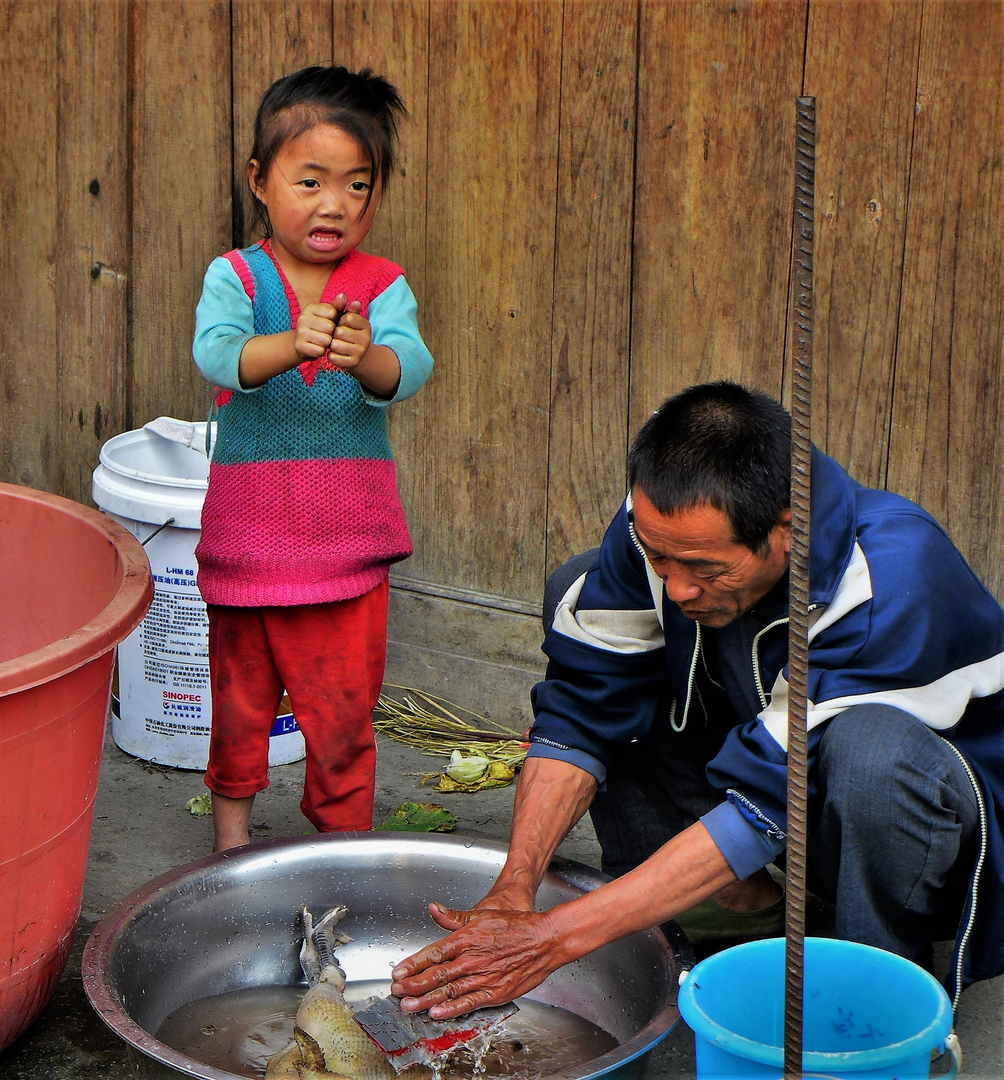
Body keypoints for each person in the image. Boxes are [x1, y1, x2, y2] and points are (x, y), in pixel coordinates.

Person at [390, 382, 1001, 1016]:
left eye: (706, 569)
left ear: (786, 531)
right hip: (778, 784)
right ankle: (729, 915)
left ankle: (874, 998)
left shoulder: (887, 581)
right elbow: (582, 711)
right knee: (582, 584)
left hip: (928, 832)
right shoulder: (654, 526)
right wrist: (514, 891)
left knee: (872, 755)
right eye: (660, 559)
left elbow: (771, 797)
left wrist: (552, 938)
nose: (680, 587)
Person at [191, 65, 434, 852]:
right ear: (261, 182)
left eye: (358, 186)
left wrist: (367, 357)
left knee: (341, 717)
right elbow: (218, 356)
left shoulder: (380, 285)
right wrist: (287, 344)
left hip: (346, 552)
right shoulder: (237, 277)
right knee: (239, 708)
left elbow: (410, 370)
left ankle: (338, 851)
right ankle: (232, 840)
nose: (335, 204)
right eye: (311, 181)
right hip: (247, 546)